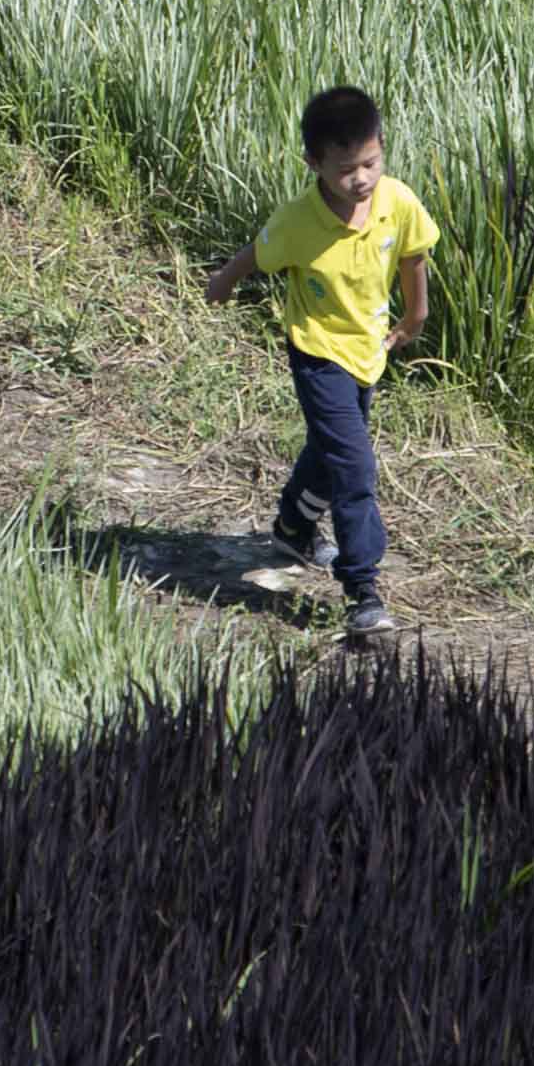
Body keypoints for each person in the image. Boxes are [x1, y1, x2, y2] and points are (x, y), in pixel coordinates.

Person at [199, 82, 437, 651]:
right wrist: (225, 281)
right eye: (345, 169)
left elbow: (413, 256)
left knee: (331, 456)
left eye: (370, 163)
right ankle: (363, 595)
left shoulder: (396, 202)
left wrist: (415, 318)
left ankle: (292, 528)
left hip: (368, 352)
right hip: (316, 353)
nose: (360, 179)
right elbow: (258, 254)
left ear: (382, 148)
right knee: (355, 467)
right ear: (314, 163)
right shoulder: (298, 221)